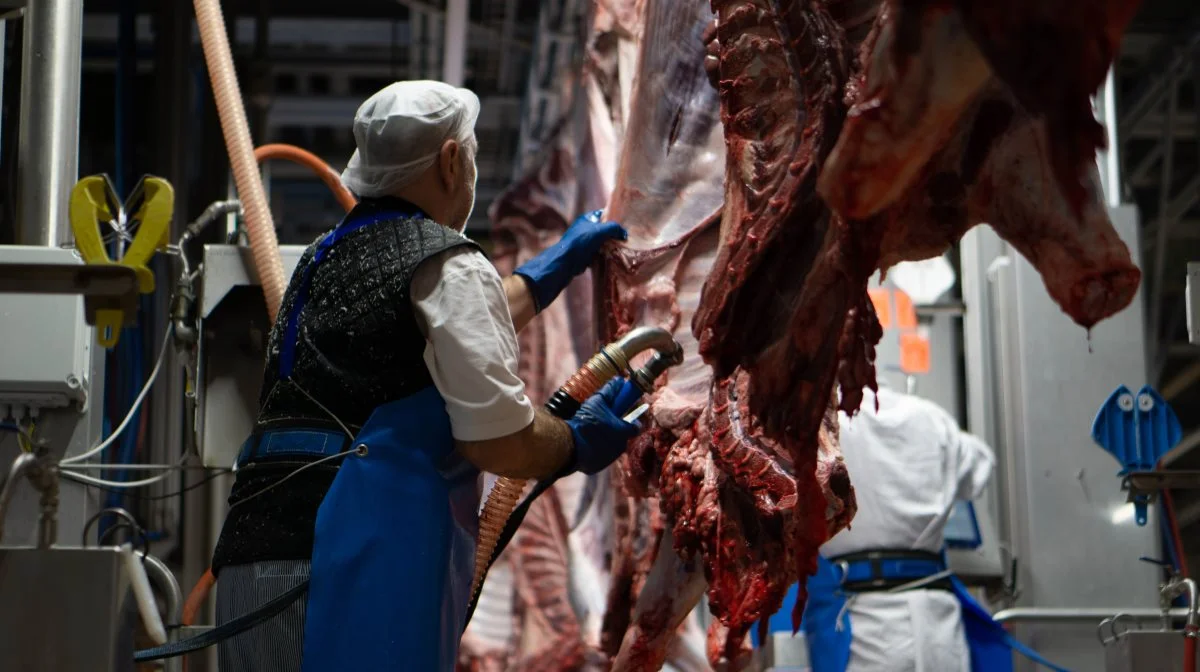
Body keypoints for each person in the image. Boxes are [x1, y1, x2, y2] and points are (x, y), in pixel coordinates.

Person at [209, 81, 640, 672]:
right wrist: (574, 443)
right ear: (451, 159)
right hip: (353, 557)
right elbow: (496, 439)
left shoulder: (322, 256)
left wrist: (550, 270)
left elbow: (434, 330)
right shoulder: (445, 261)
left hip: (252, 565)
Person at [791, 383, 1066, 672]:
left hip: (866, 631)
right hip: (940, 631)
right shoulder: (930, 418)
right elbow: (981, 466)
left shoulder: (814, 422)